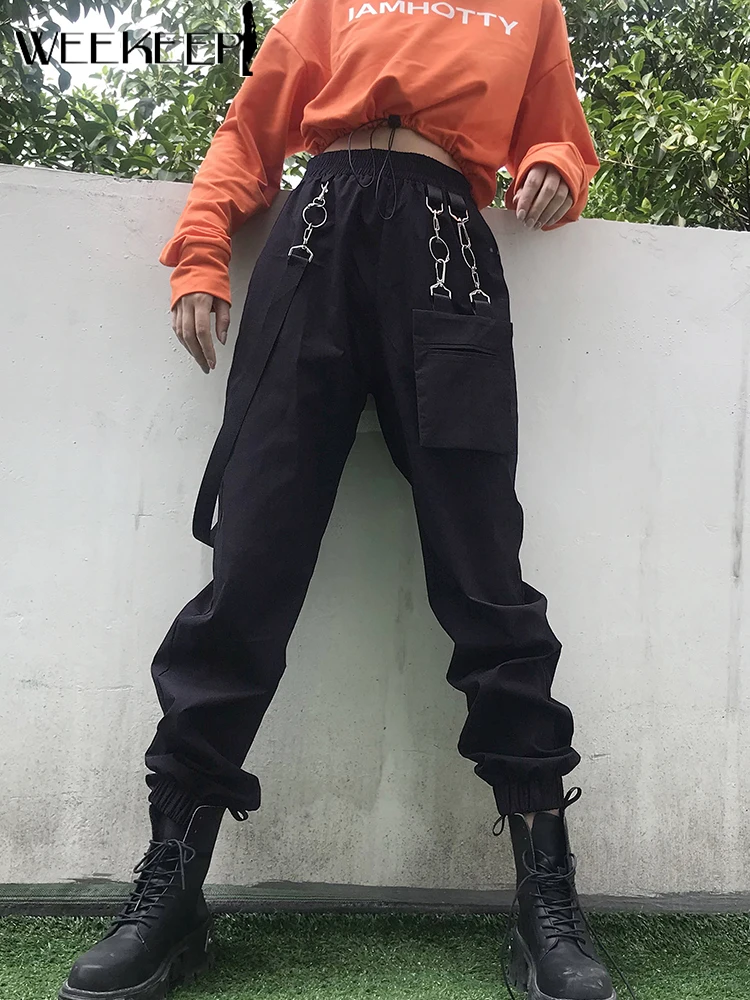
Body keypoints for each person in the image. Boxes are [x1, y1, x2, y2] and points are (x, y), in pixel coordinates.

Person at [59, 2, 638, 999]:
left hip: (447, 254)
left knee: (484, 571)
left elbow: (560, 138)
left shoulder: (529, 9)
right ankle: (171, 885)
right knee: (250, 562)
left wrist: (555, 162)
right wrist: (202, 250)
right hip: (313, 242)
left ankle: (547, 893)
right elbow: (251, 132)